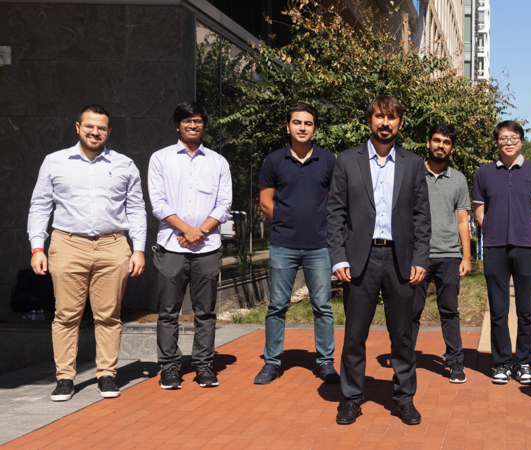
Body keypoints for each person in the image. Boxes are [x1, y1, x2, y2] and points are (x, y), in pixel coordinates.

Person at [28, 104, 147, 401]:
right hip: (67, 244)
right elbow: (40, 206)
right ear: (78, 127)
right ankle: (65, 378)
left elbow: (136, 209)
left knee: (109, 315)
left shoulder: (125, 165)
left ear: (109, 131)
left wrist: (139, 249)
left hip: (112, 245)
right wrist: (36, 248)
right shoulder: (54, 162)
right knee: (66, 315)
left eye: (102, 128)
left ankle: (107, 374)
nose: (95, 132)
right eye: (90, 126)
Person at [328, 95, 430, 426]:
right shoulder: (346, 160)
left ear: (400, 123)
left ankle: (404, 398)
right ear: (369, 120)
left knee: (402, 335)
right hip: (362, 259)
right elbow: (335, 214)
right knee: (355, 334)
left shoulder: (414, 164)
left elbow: (421, 218)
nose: (385, 123)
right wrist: (338, 257)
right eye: (379, 117)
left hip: (401, 259)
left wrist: (420, 257)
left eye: (392, 117)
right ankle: (351, 398)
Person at [253, 102, 339, 385]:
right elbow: (266, 202)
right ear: (287, 126)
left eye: (308, 123)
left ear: (315, 128)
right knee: (277, 305)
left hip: (319, 245)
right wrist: (288, 221)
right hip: (283, 244)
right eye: (297, 123)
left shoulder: (328, 160)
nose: (302, 127)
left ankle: (326, 362)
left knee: (322, 306)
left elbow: (334, 201)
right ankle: (272, 362)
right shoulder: (273, 161)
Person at [148, 101, 232, 390]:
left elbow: (224, 205)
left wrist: (200, 231)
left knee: (206, 311)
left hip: (207, 249)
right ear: (177, 125)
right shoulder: (160, 159)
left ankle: (204, 365)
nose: (193, 126)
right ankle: (169, 368)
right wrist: (186, 229)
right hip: (172, 247)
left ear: (203, 125)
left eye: (197, 121)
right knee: (168, 312)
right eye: (187, 121)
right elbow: (158, 203)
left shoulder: (218, 162)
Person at [471, 120, 531, 385]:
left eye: (513, 137)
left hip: (525, 247)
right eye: (503, 138)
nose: (508, 142)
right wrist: (489, 228)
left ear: (521, 140)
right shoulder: (484, 172)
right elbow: (478, 206)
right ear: (497, 142)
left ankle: (524, 362)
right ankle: (501, 362)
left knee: (526, 309)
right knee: (498, 309)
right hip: (495, 248)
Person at [411, 123, 471, 384]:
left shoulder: (458, 179)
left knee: (449, 310)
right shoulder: (412, 173)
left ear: (452, 148)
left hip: (449, 255)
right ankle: (405, 359)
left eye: (446, 142)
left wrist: (466, 257)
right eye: (436, 140)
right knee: (411, 311)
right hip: (416, 255)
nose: (441, 146)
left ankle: (455, 362)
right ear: (428, 143)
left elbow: (462, 221)